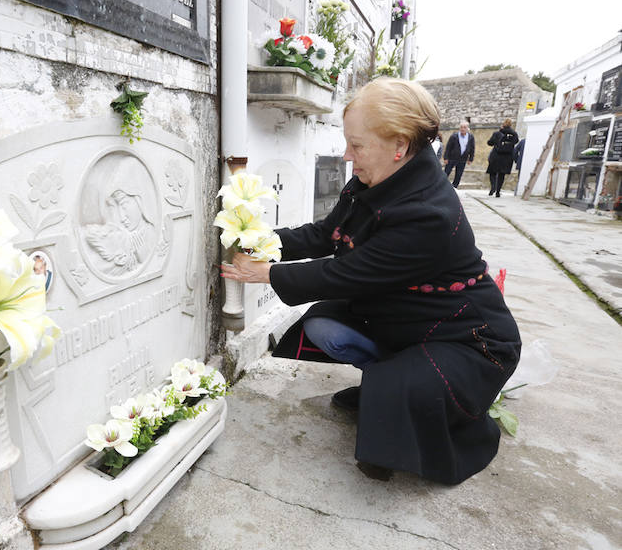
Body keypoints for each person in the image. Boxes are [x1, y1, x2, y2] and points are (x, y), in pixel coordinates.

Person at [220, 78, 521, 485]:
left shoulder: (430, 213)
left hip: (466, 338)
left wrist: (267, 273)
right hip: (407, 314)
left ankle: (409, 395)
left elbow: (346, 273)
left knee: (399, 391)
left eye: (356, 145)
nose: (347, 156)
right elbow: (326, 233)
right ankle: (390, 382)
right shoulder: (374, 178)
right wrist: (266, 243)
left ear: (399, 144)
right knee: (323, 326)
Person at [486, 119, 519, 197]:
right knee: (502, 175)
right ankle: (498, 191)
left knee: (492, 172)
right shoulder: (514, 134)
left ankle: (493, 187)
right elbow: (516, 142)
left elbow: (490, 143)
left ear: (503, 124)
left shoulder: (497, 133)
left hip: (496, 156)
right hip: (507, 157)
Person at [443, 121, 475, 188]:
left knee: (459, 174)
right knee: (446, 172)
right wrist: (445, 158)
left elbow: (472, 148)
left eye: (464, 127)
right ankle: (442, 185)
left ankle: (454, 186)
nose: (462, 129)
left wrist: (471, 158)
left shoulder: (471, 137)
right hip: (452, 157)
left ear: (467, 128)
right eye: (461, 127)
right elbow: (448, 147)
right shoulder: (454, 136)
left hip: (463, 158)